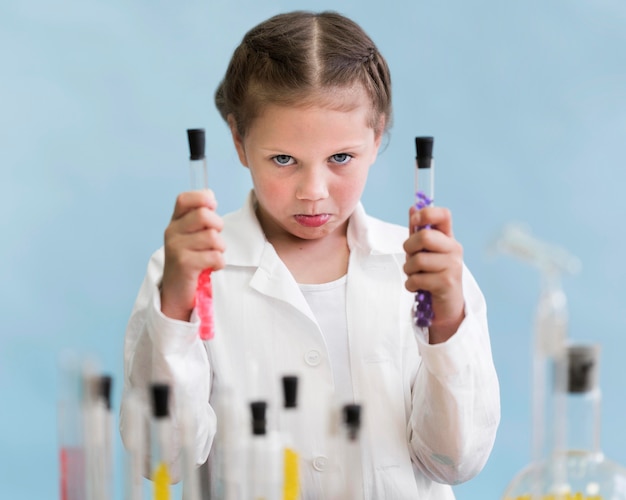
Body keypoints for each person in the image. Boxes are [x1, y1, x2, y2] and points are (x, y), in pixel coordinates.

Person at [120, 10, 500, 499]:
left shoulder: (429, 274)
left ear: (377, 135)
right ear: (239, 141)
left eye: (341, 158)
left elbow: (456, 460)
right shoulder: (182, 274)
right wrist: (175, 311)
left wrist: (447, 323)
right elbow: (161, 461)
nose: (314, 192)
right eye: (284, 160)